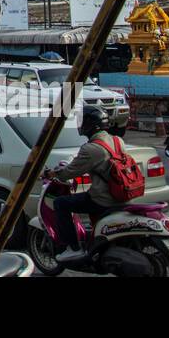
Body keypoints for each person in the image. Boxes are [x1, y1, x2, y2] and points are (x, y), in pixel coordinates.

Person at [42, 105, 119, 263]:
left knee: (61, 203)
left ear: (90, 124)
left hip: (103, 198)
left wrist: (52, 174)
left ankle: (73, 248)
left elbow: (69, 172)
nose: (80, 125)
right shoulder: (117, 141)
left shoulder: (91, 148)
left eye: (82, 121)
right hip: (120, 194)